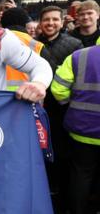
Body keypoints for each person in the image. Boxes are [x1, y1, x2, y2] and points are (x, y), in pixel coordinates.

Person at [36, 6, 84, 213]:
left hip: (64, 109)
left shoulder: (74, 44)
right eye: (46, 20)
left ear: (62, 21)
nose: (50, 23)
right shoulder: (34, 45)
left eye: (55, 20)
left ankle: (61, 194)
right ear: (40, 22)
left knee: (63, 153)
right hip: (39, 107)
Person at [51, 44, 100, 214]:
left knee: (81, 174)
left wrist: (71, 104)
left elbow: (58, 89)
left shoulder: (79, 56)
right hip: (84, 129)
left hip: (82, 130)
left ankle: (77, 210)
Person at [0, 7, 51, 91]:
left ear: (2, 23)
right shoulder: (37, 45)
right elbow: (47, 75)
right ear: (25, 23)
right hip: (28, 97)